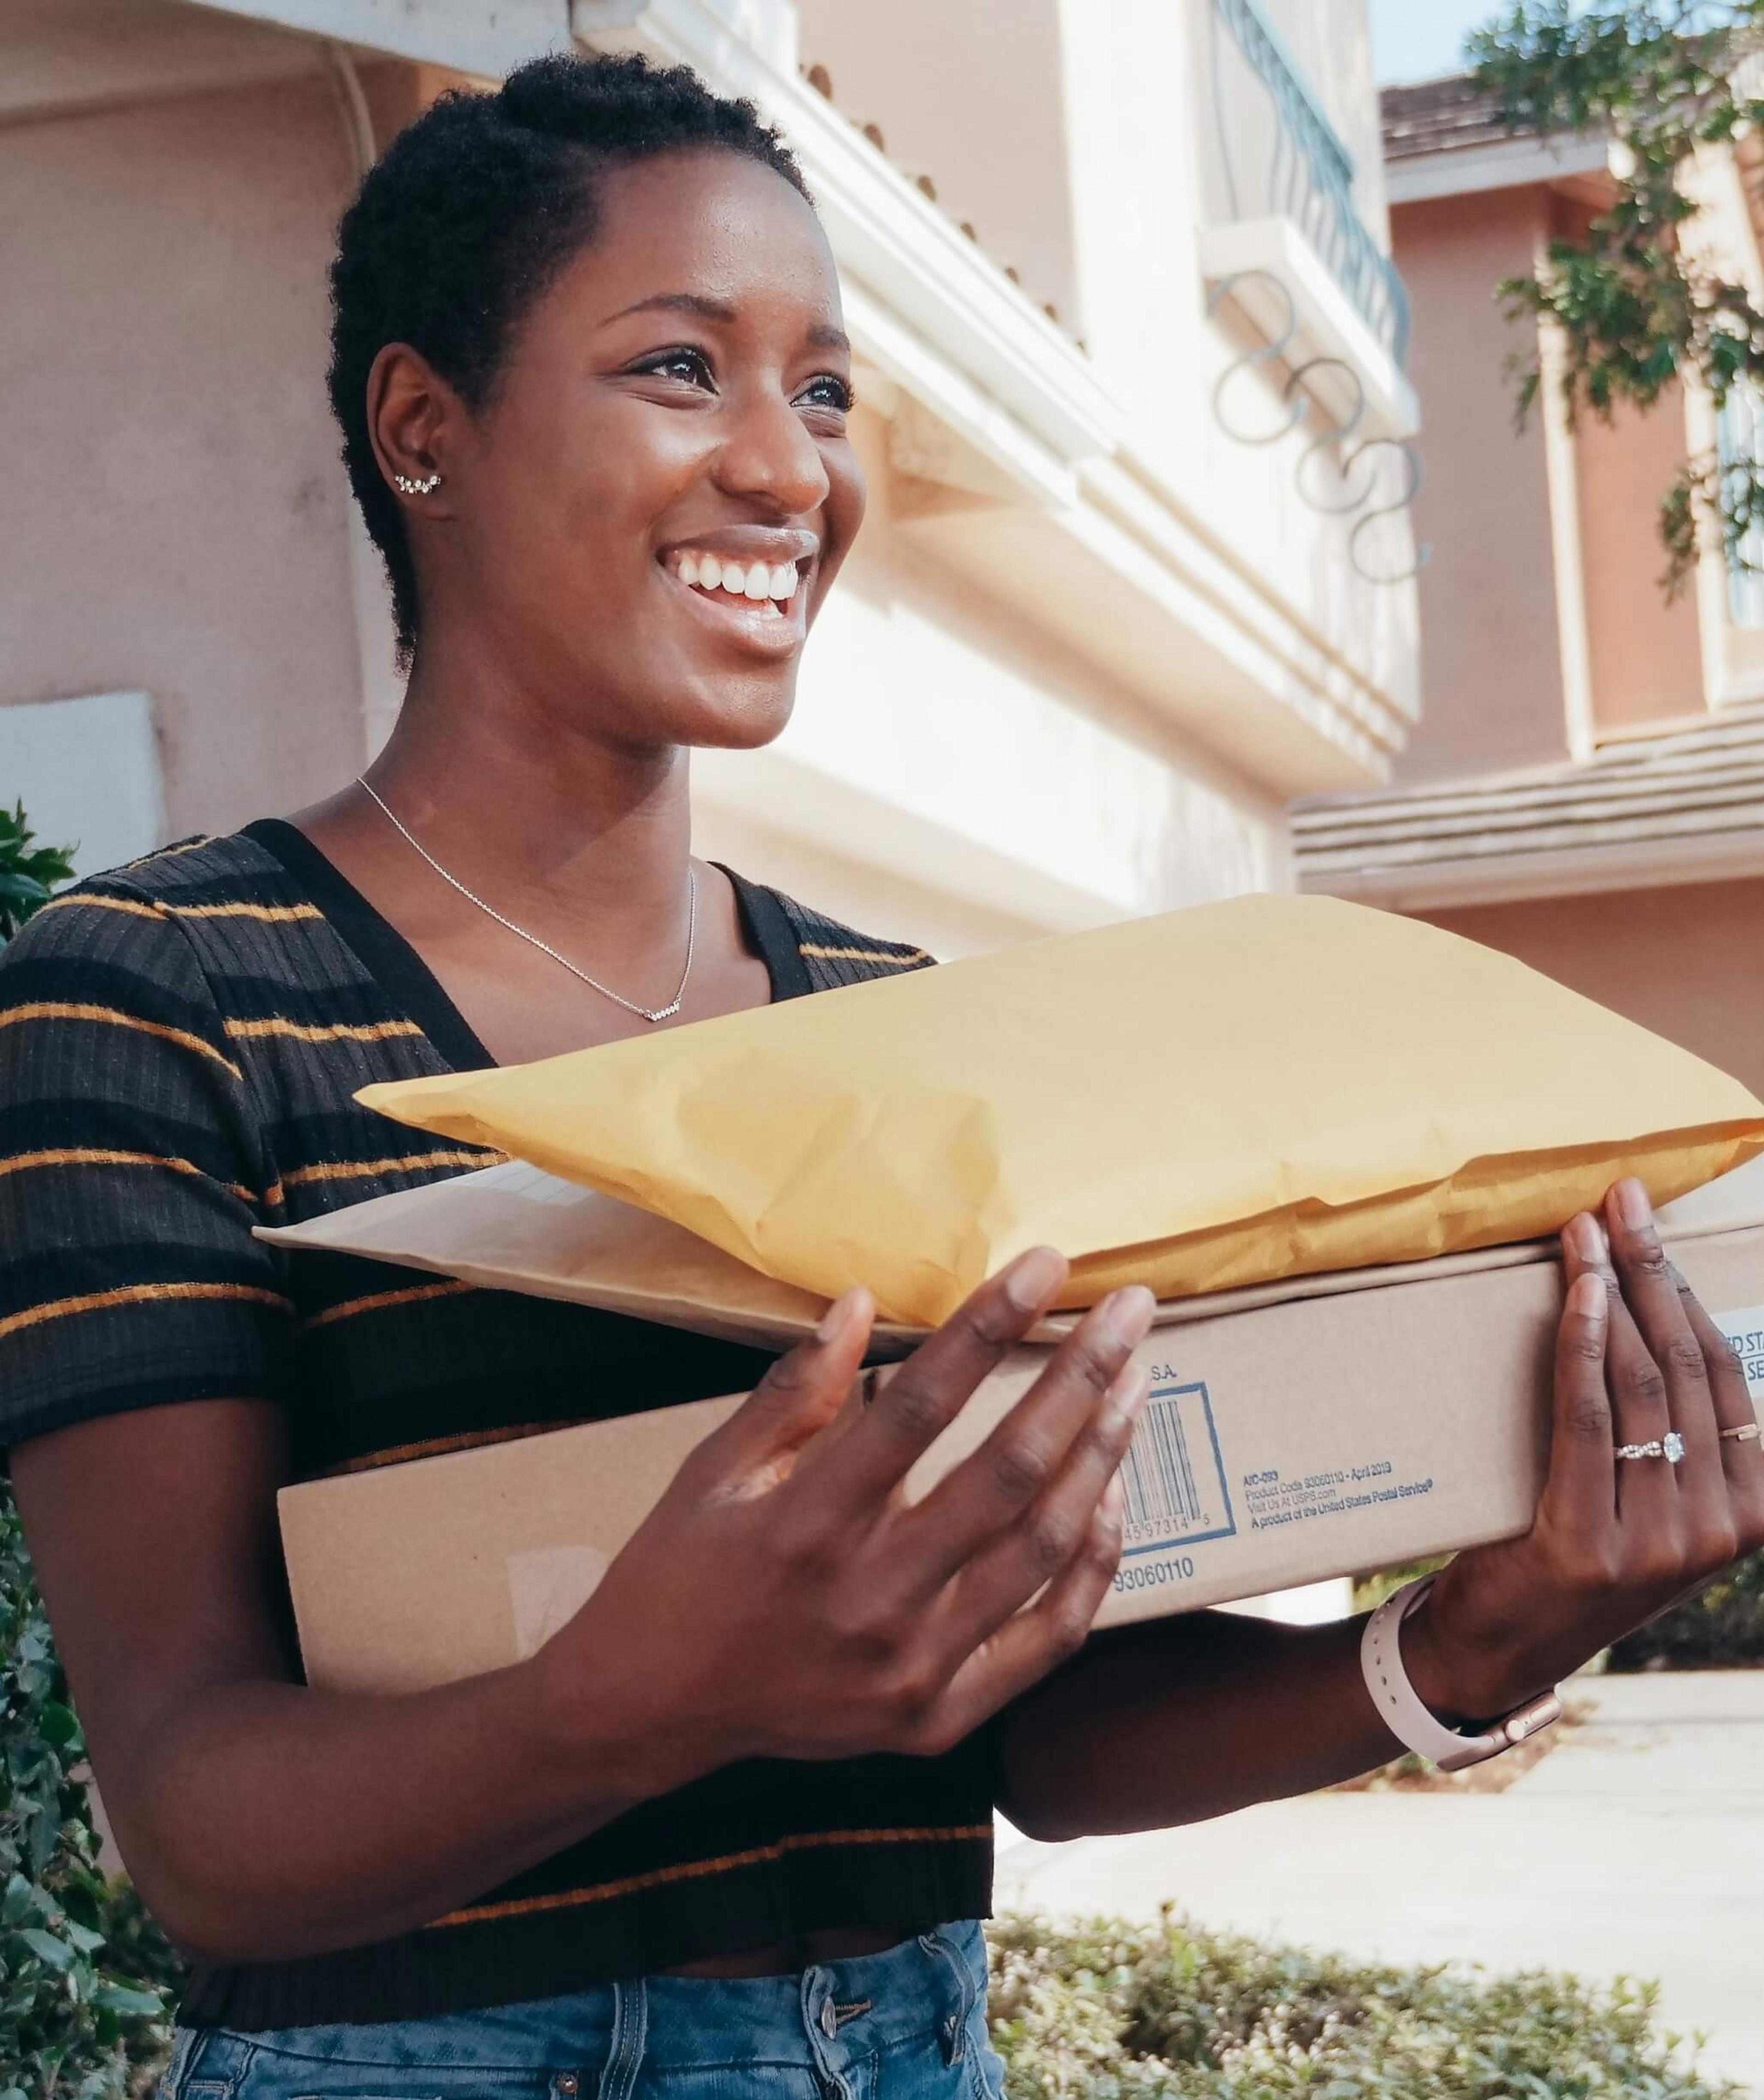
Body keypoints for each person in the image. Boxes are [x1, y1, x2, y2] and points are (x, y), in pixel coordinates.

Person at [2, 50, 1759, 2100]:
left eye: (825, 390)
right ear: (426, 429)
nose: (789, 469)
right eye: (683, 370)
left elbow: (1033, 1733)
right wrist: (632, 1699)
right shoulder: (156, 999)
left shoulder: (891, 1027)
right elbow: (199, 1827)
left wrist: (1466, 1646)